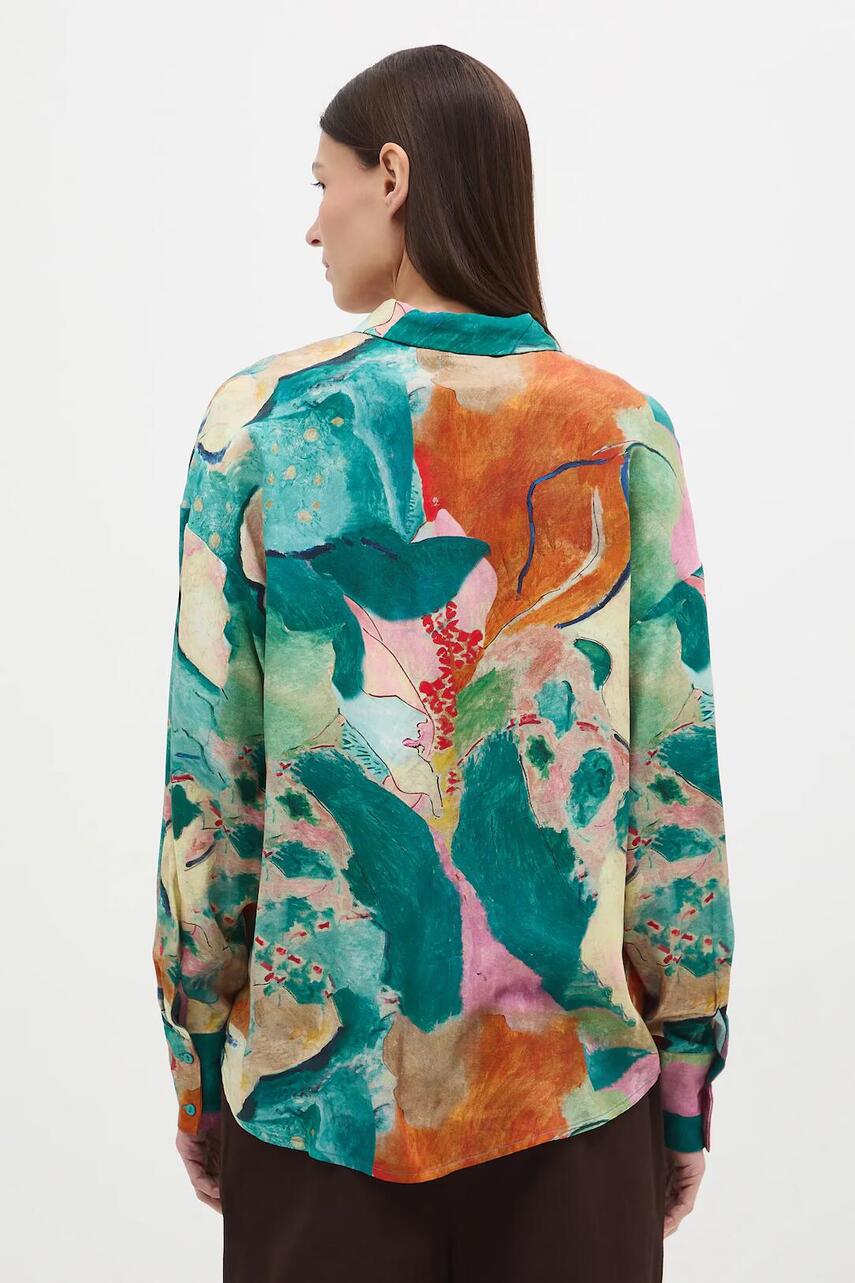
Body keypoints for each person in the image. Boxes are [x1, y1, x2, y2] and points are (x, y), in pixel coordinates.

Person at [152, 43, 734, 1283]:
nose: (315, 225)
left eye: (324, 183)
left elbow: (212, 782)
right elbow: (676, 792)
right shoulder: (622, 430)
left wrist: (200, 1061)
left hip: (316, 1107)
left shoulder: (261, 424)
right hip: (575, 1105)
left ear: (394, 175)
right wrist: (684, 1083)